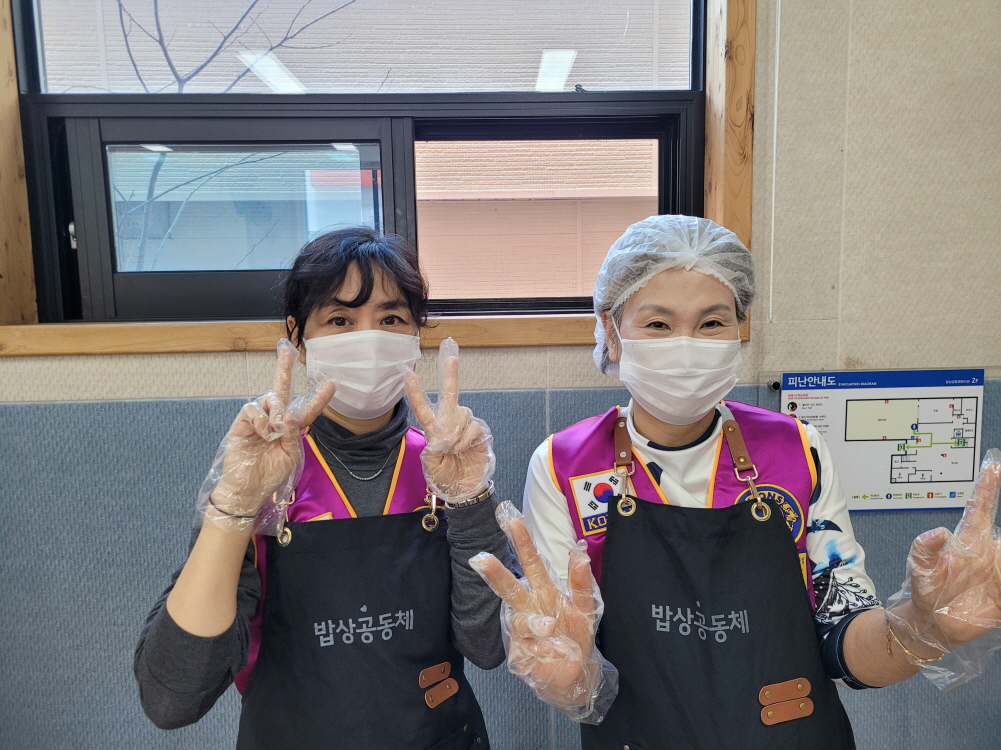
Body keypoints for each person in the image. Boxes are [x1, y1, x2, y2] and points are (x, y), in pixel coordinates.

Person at [473, 215, 1001, 749]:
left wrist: (926, 627)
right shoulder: (564, 464)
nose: (686, 347)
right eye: (658, 325)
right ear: (612, 334)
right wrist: (566, 674)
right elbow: (572, 660)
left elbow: (845, 639)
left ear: (737, 330)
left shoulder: (796, 449)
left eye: (711, 323)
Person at [135, 227, 512, 749]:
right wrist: (236, 506)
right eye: (339, 320)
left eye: (391, 319)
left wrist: (471, 501)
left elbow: (490, 647)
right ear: (298, 337)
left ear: (415, 338)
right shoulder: (264, 473)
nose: (368, 339)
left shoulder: (447, 464)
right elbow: (171, 700)